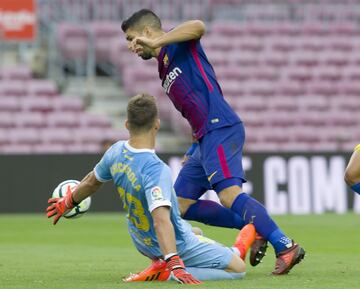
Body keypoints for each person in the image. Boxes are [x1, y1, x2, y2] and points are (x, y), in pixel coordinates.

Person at [121, 9, 305, 274]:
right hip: (204, 136)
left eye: (132, 38)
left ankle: (285, 245)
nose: (131, 46)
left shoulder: (177, 42)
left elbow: (198, 25)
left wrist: (159, 42)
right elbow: (194, 104)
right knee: (180, 204)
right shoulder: (163, 66)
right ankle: (253, 227)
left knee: (229, 195)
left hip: (220, 127)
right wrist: (195, 143)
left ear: (148, 32)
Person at [46, 94, 256, 284]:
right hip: (170, 243)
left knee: (195, 230)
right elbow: (161, 219)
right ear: (156, 125)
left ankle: (222, 251)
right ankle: (169, 271)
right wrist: (173, 261)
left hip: (141, 240)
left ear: (127, 124)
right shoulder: (156, 170)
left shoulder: (115, 151)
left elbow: (91, 182)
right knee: (238, 269)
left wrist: (68, 202)